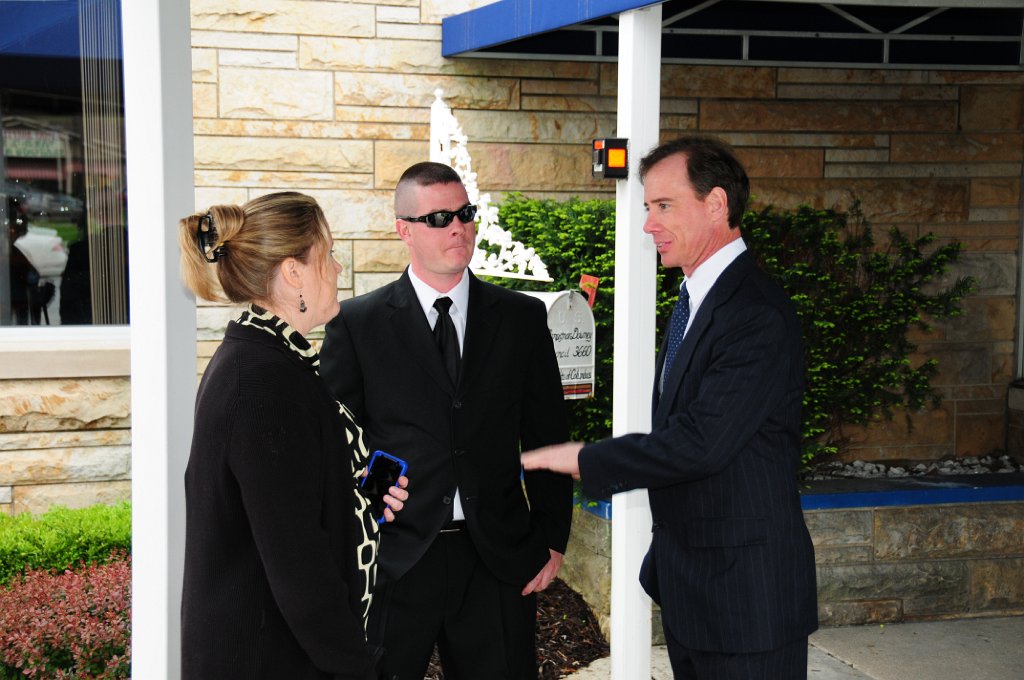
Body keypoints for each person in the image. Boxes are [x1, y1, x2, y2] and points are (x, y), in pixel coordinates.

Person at [521, 136, 818, 679]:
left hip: (747, 603)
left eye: (663, 206)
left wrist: (585, 458)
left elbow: (701, 442)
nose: (648, 225)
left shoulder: (755, 314)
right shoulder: (697, 300)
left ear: (716, 204)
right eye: (647, 207)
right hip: (697, 596)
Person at [320, 162, 571, 680]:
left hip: (497, 559)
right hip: (395, 558)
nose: (457, 228)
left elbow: (547, 432)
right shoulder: (357, 324)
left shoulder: (521, 318)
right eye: (438, 218)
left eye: (465, 214)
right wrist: (370, 522)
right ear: (404, 230)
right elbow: (342, 443)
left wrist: (552, 539)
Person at [178, 191, 409, 680]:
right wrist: (359, 668)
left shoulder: (272, 359)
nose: (338, 269)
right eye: (328, 255)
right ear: (293, 273)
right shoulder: (261, 384)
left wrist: (364, 497)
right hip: (269, 660)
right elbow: (299, 566)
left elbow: (294, 505)